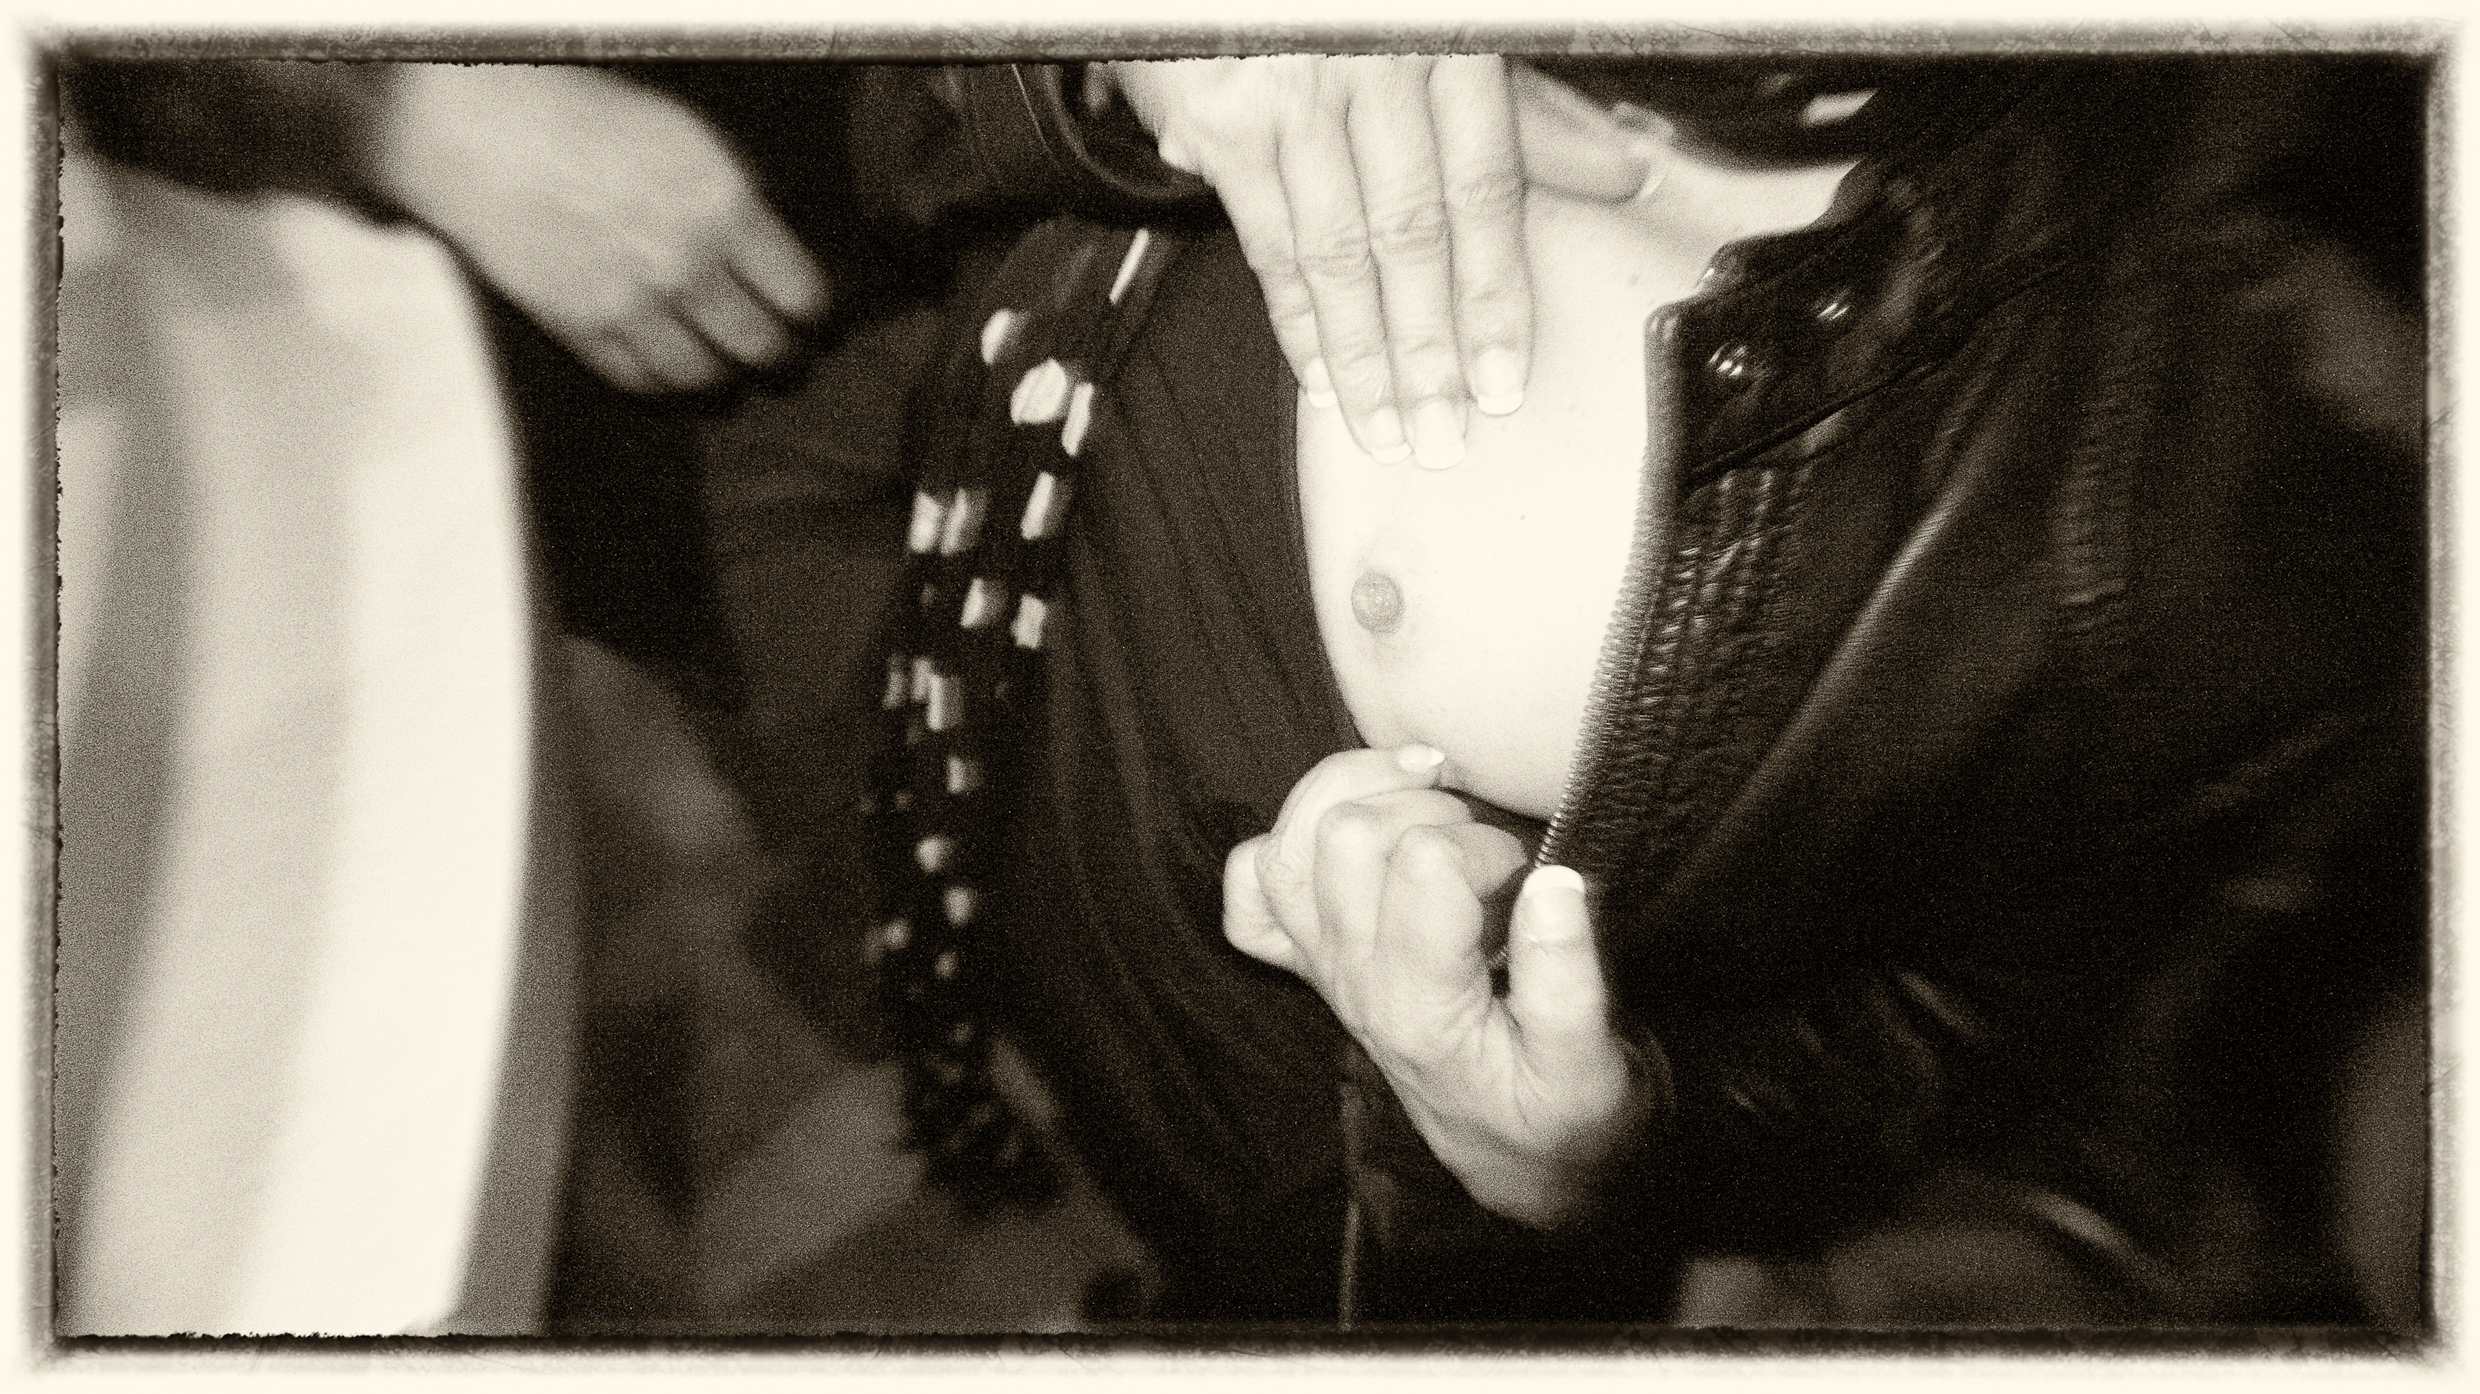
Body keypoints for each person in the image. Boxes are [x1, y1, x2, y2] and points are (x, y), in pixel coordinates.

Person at [865, 52, 2427, 1327]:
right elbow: (890, 137)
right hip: (999, 609)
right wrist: (1108, 61)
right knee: (1003, 979)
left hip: (1333, 1158)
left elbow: (1949, 1043)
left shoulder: (2276, 530)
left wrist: (1605, 1139)